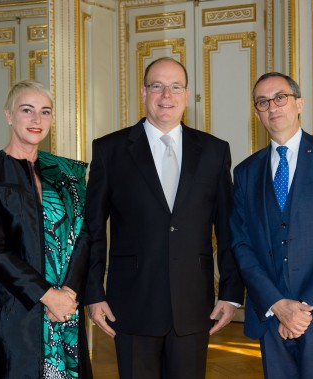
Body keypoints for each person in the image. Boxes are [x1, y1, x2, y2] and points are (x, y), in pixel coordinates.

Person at [83, 57, 244, 378]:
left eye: (175, 87)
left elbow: (229, 228)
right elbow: (93, 228)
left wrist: (230, 292)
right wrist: (93, 293)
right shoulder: (109, 150)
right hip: (130, 302)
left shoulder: (214, 151)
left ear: (186, 95)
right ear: (143, 93)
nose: (165, 95)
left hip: (194, 302)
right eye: (157, 86)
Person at [229, 72, 313, 378]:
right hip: (270, 313)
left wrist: (305, 308)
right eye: (263, 102)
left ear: (299, 103)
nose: (272, 107)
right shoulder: (245, 172)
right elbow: (242, 245)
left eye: (281, 97)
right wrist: (277, 304)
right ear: (257, 113)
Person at [0, 80, 93, 378]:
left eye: (45, 112)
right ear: (8, 114)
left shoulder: (67, 174)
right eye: (27, 110)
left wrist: (69, 293)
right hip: (11, 307)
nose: (37, 120)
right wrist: (47, 295)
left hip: (65, 305)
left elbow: (85, 233)